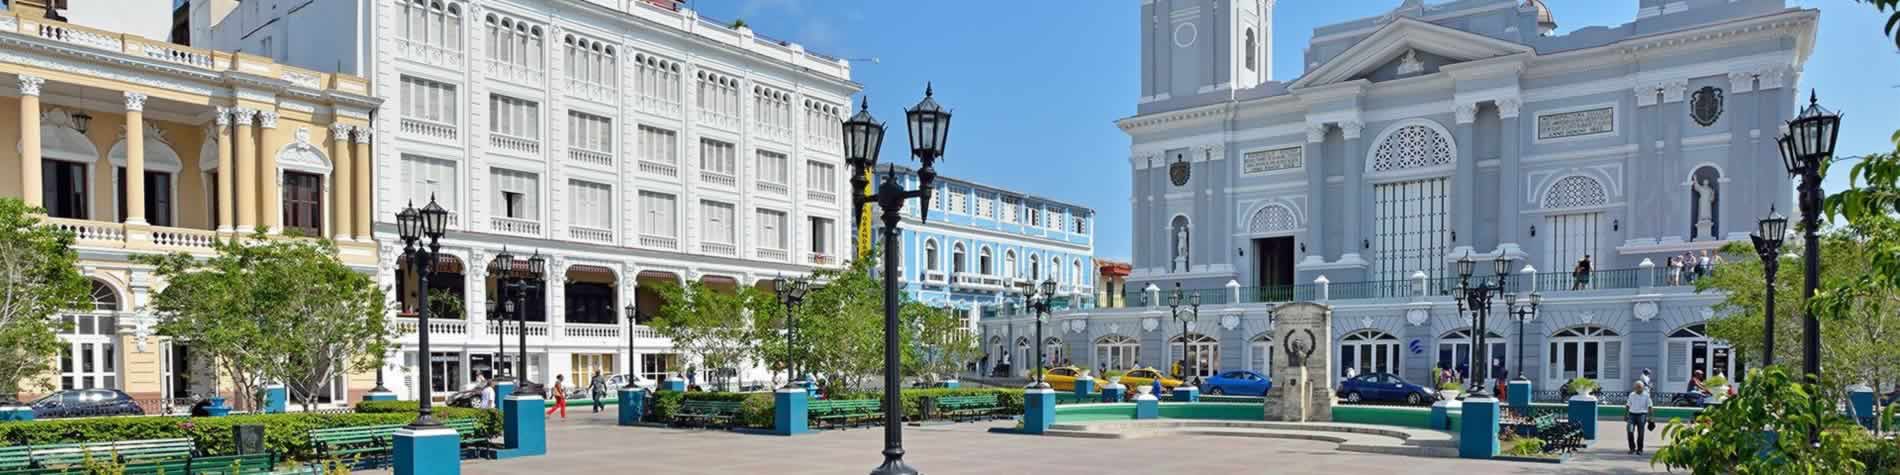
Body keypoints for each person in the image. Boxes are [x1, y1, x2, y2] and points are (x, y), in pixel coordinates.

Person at [1627, 381, 1654, 454]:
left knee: (1640, 433)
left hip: (1642, 415)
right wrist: (1625, 414)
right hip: (1632, 415)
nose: (1638, 389)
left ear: (1643, 388)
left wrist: (1651, 417)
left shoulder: (1646, 395)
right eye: (1636, 387)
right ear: (1634, 387)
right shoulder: (1632, 395)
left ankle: (1640, 449)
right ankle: (1632, 448)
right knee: (1630, 431)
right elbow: (1628, 405)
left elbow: (1650, 406)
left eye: (1639, 387)